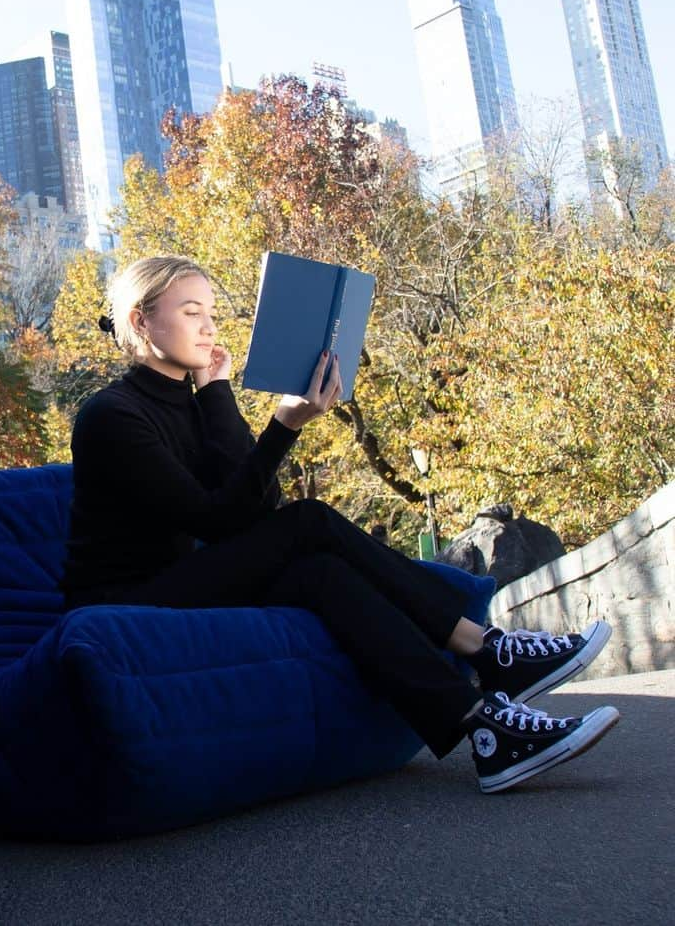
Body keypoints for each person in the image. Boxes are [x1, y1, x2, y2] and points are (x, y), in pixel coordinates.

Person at [62, 255, 619, 794]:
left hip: (187, 578)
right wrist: (283, 426)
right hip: (124, 596)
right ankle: (485, 647)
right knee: (309, 522)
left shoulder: (197, 396)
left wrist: (217, 393)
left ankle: (486, 731)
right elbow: (217, 518)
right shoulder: (112, 416)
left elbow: (251, 509)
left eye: (212, 311)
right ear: (141, 320)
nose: (209, 326)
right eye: (191, 312)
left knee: (321, 572)